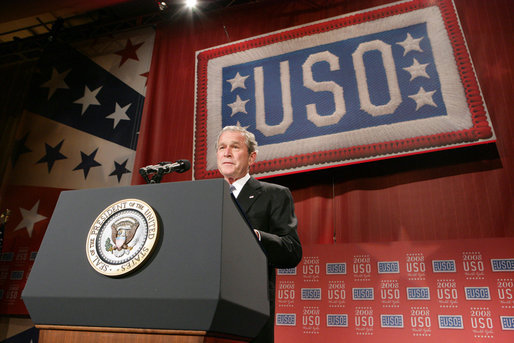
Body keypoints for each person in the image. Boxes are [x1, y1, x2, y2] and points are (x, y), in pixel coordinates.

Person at [216, 125, 302, 342]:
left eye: (235, 147)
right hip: (206, 307)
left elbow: (292, 251)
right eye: (221, 147)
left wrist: (256, 237)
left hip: (249, 310)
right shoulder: (204, 198)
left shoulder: (274, 194)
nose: (226, 153)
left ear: (252, 157)